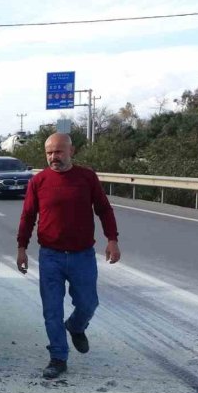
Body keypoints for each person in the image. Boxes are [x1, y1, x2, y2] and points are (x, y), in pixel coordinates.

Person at [16, 133, 121, 380]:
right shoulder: (38, 181)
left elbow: (104, 209)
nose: (54, 157)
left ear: (71, 151)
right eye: (49, 153)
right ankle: (58, 357)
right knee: (51, 310)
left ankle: (75, 326)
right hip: (50, 256)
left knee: (88, 303)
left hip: (82, 256)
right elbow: (28, 216)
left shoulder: (86, 177)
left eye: (59, 152)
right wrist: (22, 248)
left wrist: (112, 240)